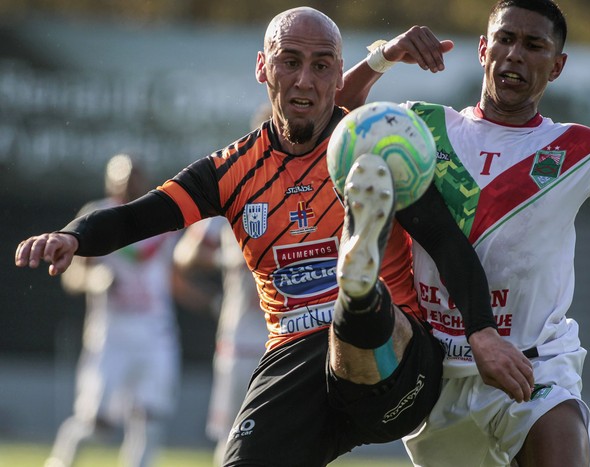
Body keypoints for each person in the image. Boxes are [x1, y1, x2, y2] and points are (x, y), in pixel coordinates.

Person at [15, 7, 530, 466]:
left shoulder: (376, 150)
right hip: (294, 364)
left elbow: (445, 241)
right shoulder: (229, 170)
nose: (305, 79)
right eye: (290, 61)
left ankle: (358, 284)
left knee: (356, 314)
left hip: (396, 366)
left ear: (336, 78)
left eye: (322, 65)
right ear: (263, 67)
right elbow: (137, 217)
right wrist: (73, 237)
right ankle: (356, 280)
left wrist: (482, 331)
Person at [338, 0, 590, 466]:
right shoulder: (422, 127)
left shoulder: (580, 149)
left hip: (535, 366)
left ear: (557, 65)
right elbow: (340, 125)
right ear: (484, 50)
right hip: (435, 374)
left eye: (534, 45)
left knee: (560, 434)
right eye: (505, 40)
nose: (515, 54)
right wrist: (382, 57)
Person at [43, 154, 181, 467]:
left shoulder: (161, 216)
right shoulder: (97, 215)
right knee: (97, 424)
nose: (128, 182)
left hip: (156, 332)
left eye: (134, 176)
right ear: (109, 179)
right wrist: (95, 280)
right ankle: (60, 460)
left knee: (150, 417)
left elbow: (172, 272)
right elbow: (74, 277)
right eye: (121, 176)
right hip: (111, 333)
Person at [173, 216, 267, 466]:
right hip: (241, 342)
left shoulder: (302, 195)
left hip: (291, 338)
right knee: (232, 434)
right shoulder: (229, 198)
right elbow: (183, 256)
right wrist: (224, 258)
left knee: (292, 433)